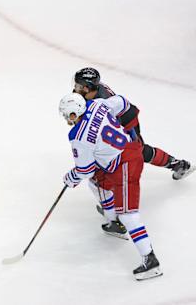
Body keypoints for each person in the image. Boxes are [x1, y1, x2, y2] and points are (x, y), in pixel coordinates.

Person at [59, 92, 162, 280]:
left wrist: (70, 178)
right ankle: (114, 222)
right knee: (97, 182)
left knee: (128, 214)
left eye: (68, 116)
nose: (67, 119)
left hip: (125, 164)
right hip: (127, 152)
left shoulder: (78, 137)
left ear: (74, 114)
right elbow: (122, 102)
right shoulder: (97, 104)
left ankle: (151, 260)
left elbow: (85, 170)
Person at [72, 67, 194, 181]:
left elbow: (108, 125)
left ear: (87, 88)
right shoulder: (90, 93)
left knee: (138, 151)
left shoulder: (103, 100)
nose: (75, 88)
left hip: (126, 121)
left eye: (78, 86)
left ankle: (176, 164)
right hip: (118, 117)